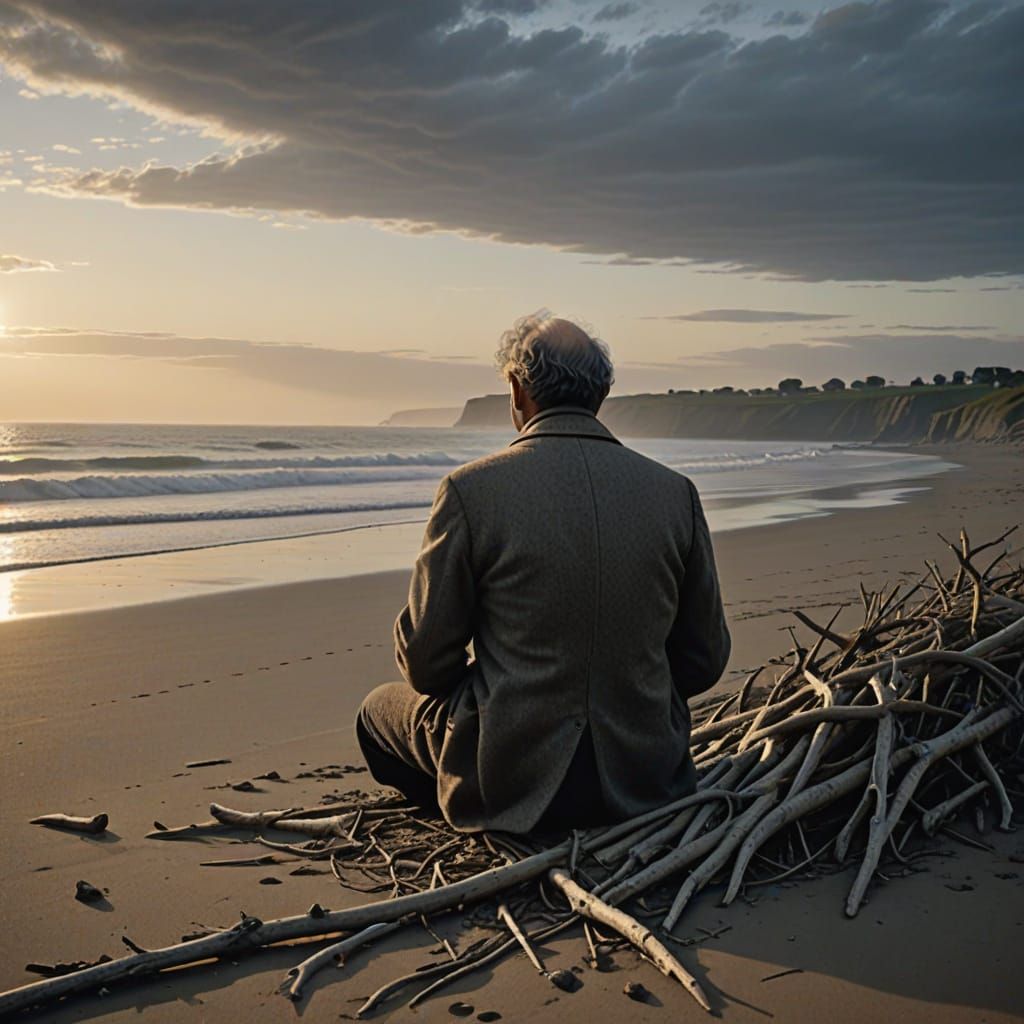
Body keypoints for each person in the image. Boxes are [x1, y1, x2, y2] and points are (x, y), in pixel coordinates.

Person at [356, 311, 730, 834]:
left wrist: (500, 687)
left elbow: (426, 665)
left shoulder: (472, 491)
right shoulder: (675, 494)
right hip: (646, 783)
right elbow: (704, 659)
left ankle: (468, 810)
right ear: (601, 393)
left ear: (516, 389)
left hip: (514, 784)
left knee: (377, 711)